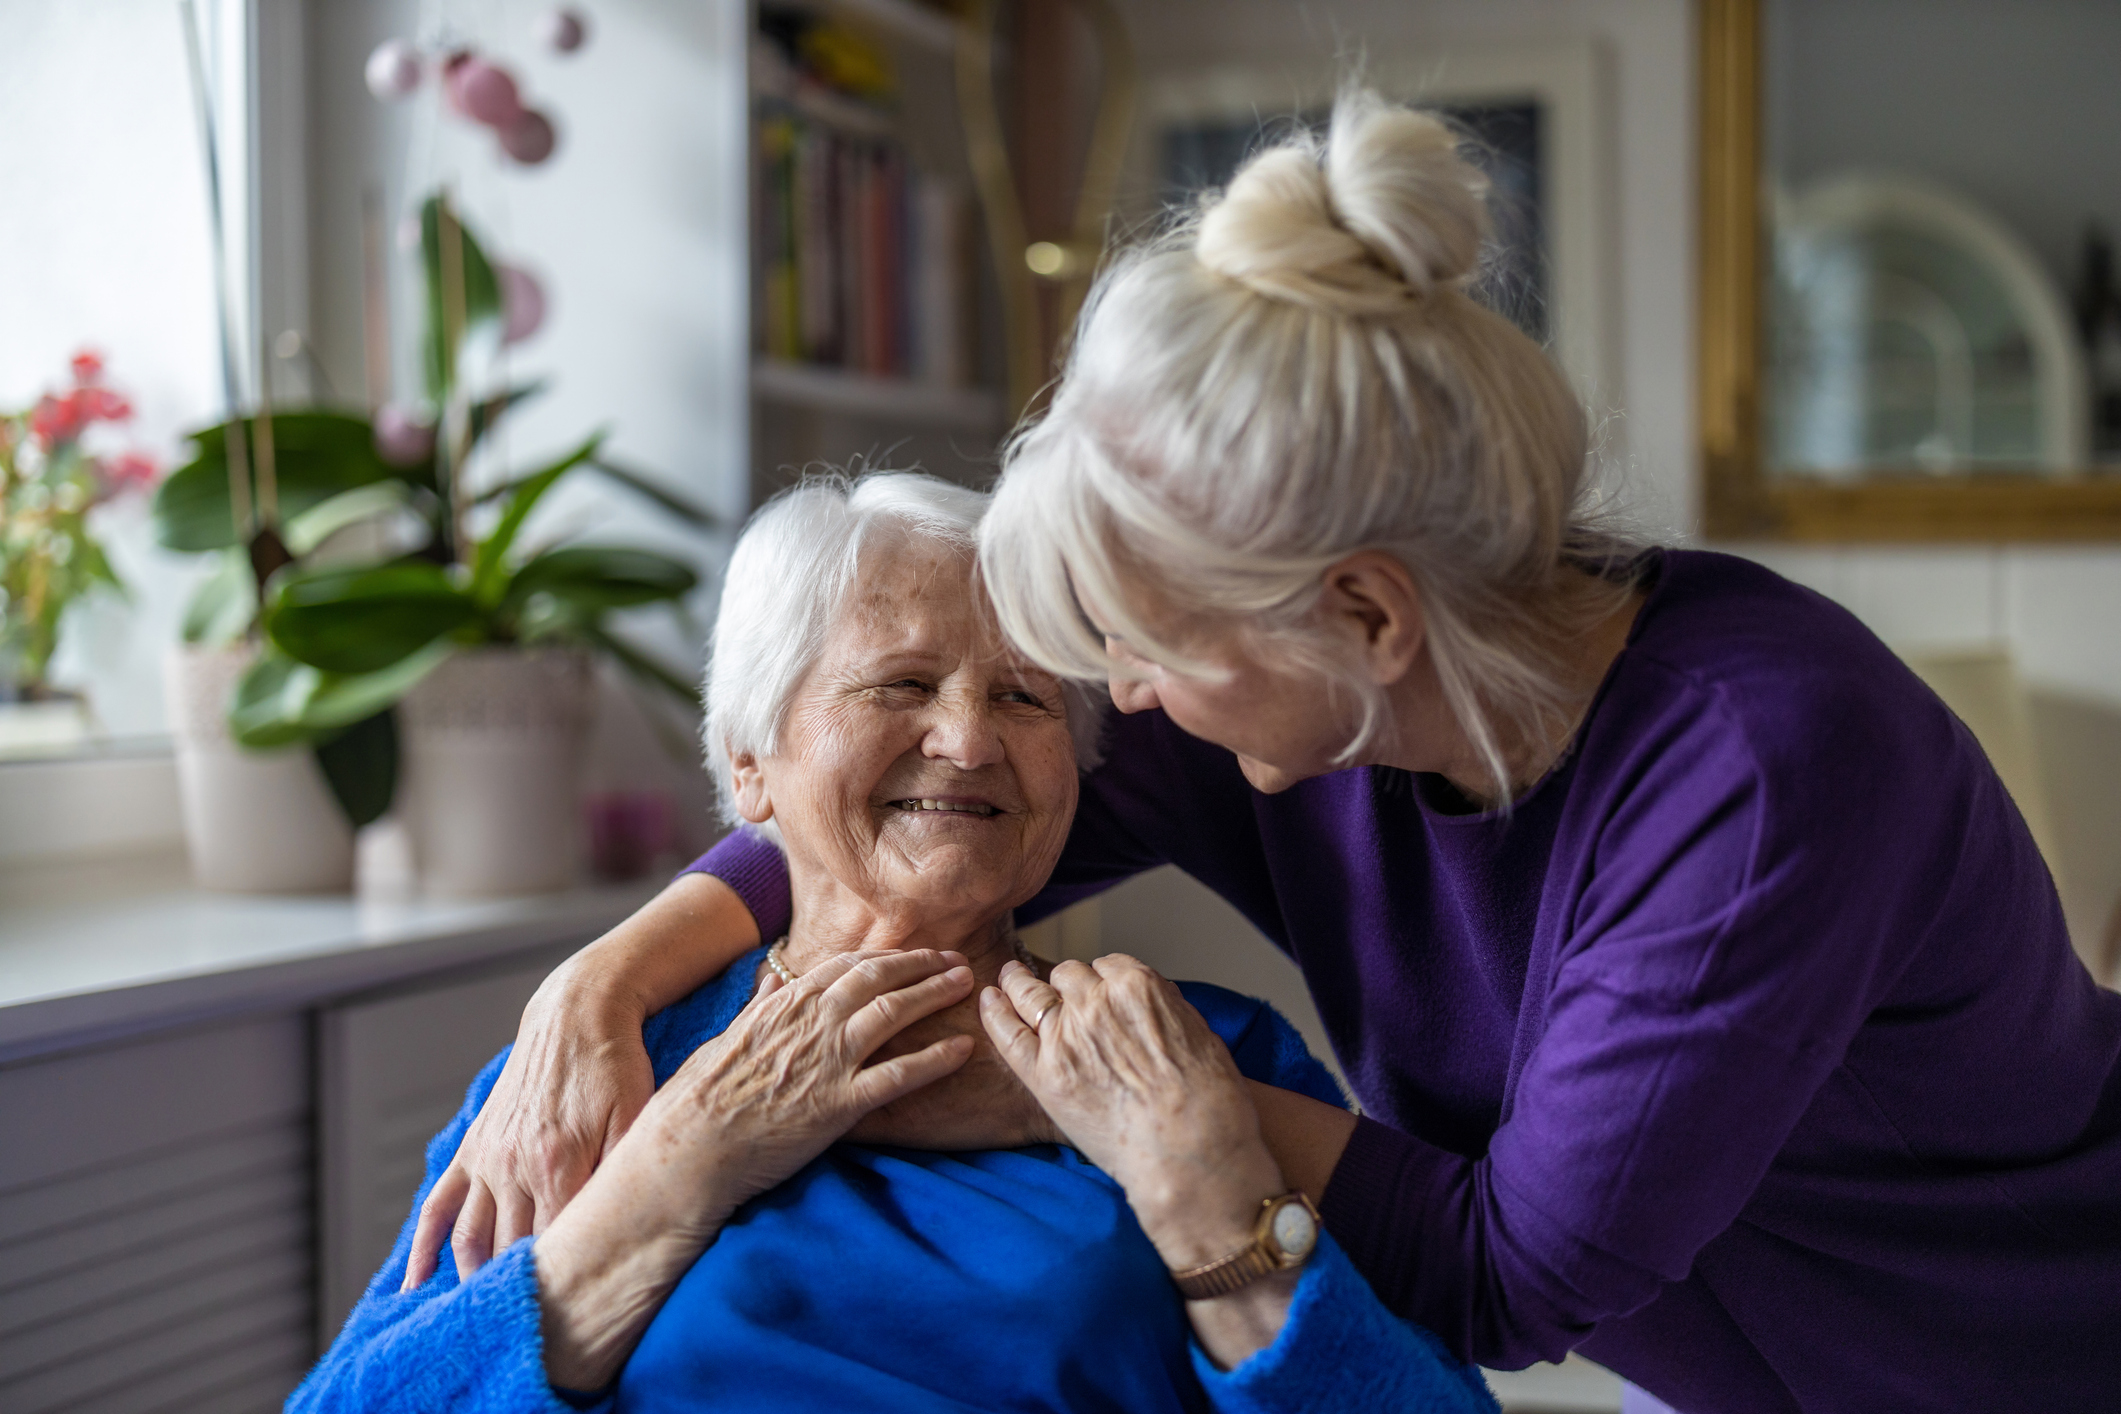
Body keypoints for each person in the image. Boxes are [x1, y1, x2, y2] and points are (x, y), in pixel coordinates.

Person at [417, 94, 2121, 1411]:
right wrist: (604, 979)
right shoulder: (1294, 713)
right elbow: (928, 810)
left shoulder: (1757, 776)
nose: (1112, 707)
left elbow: (1506, 1269)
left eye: (1138, 649)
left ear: (1365, 618)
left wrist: (1139, 1124)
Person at [294, 473, 1494, 1413]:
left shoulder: (1193, 1055)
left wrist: (1206, 1198)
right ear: (750, 765)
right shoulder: (603, 1070)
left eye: (1025, 698)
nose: (970, 741)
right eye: (902, 683)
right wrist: (674, 1174)